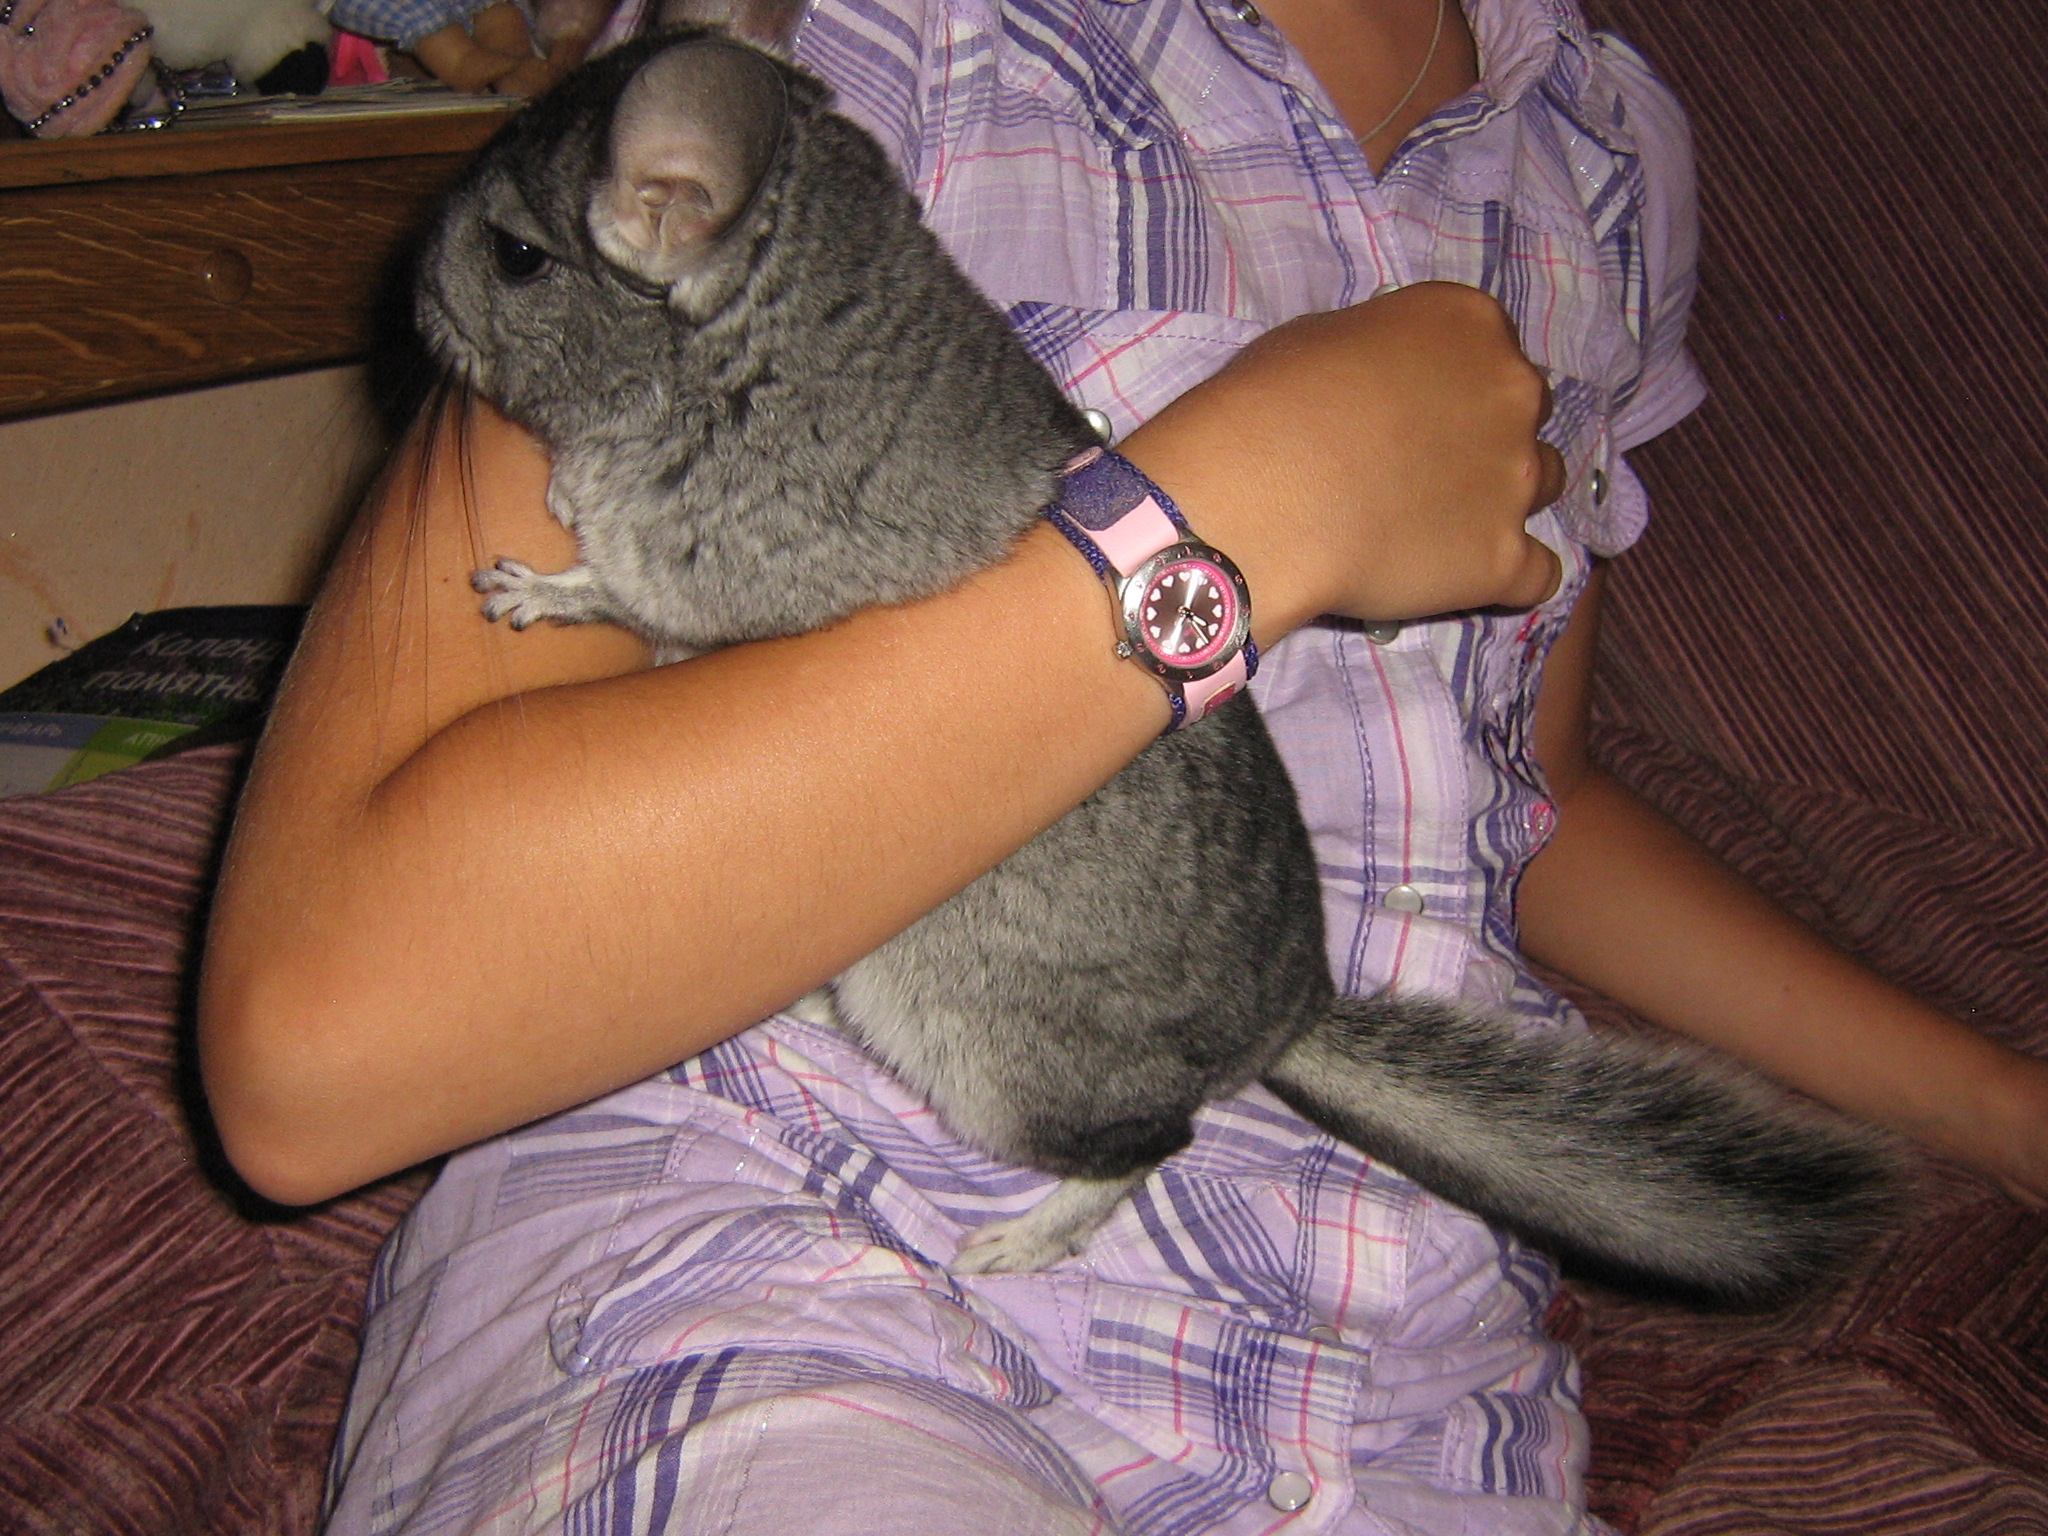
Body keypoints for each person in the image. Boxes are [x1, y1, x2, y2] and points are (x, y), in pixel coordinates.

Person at [198, 0, 2048, 1529]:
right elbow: (322, 1044)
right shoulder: (841, 39)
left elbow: (1521, 804)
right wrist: (1236, 519)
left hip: (1412, 1398)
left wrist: (2000, 1109)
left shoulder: (1606, 140)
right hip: (804, 1262)